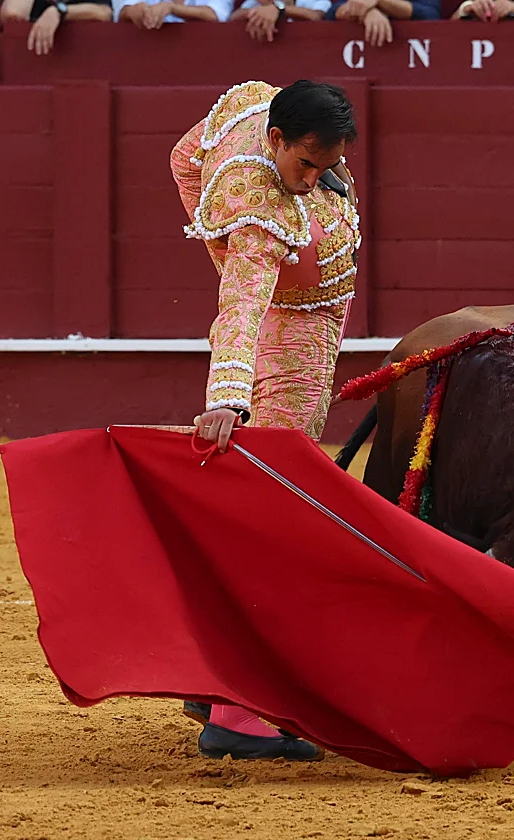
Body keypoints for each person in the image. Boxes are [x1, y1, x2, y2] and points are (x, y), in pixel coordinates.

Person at [169, 80, 361, 761]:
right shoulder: (259, 210)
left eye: (328, 165)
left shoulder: (255, 102)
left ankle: (210, 681)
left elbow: (183, 157)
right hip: (291, 344)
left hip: (293, 327)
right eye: (306, 164)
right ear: (276, 140)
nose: (313, 180)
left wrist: (209, 229)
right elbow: (243, 305)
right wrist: (227, 396)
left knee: (259, 508)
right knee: (277, 517)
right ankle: (236, 714)